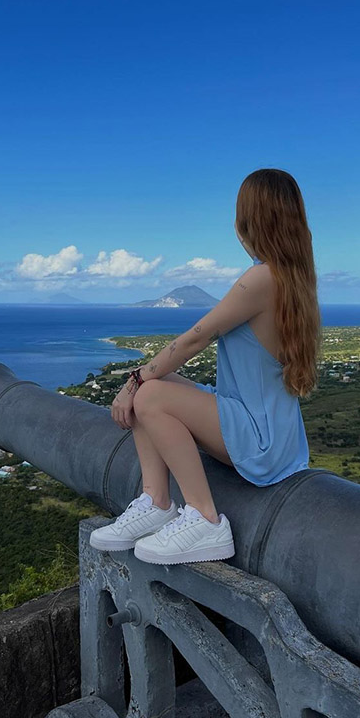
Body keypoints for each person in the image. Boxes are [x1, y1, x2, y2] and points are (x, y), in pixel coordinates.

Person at [89, 168, 321, 565]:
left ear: (246, 221)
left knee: (151, 394)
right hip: (271, 431)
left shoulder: (260, 279)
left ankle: (204, 518)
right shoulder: (294, 277)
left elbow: (197, 337)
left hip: (258, 437)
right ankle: (155, 500)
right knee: (151, 386)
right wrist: (142, 379)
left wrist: (134, 377)